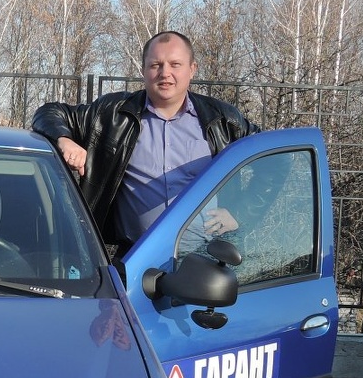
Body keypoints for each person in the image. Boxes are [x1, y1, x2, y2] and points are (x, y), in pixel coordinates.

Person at [31, 31, 263, 247]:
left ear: (192, 69)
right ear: (143, 70)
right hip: (132, 262)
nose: (165, 73)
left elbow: (274, 160)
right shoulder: (112, 114)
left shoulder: (223, 120)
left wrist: (240, 212)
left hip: (205, 261)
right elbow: (49, 113)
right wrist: (64, 140)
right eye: (156, 65)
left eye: (175, 64)